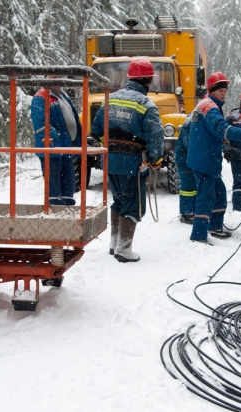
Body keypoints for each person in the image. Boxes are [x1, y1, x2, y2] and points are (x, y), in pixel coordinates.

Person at [91, 58, 164, 263]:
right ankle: (124, 249)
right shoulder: (146, 105)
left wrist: (112, 147)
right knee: (133, 205)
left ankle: (115, 244)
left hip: (110, 161)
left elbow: (97, 130)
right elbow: (155, 136)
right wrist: (155, 158)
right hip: (132, 163)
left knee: (119, 200)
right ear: (147, 80)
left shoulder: (111, 99)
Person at [187, 72, 241, 244]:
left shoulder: (204, 105)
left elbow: (206, 132)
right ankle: (198, 235)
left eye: (225, 90)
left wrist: (223, 145)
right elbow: (219, 127)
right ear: (212, 90)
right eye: (221, 90)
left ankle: (215, 226)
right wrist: (240, 134)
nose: (224, 94)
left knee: (219, 192)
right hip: (205, 160)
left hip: (204, 157)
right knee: (206, 196)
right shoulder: (210, 107)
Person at [30, 75, 82, 205]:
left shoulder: (63, 97)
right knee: (54, 187)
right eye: (54, 78)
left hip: (66, 148)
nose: (58, 81)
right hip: (52, 149)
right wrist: (57, 137)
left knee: (69, 183)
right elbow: (40, 124)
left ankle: (67, 208)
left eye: (60, 77)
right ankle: (56, 211)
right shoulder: (41, 97)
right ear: (47, 80)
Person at [175, 114, 195, 224]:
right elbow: (190, 144)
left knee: (193, 186)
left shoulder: (196, 119)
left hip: (190, 157)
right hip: (185, 159)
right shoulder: (191, 123)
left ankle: (192, 211)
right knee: (188, 187)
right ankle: (186, 213)